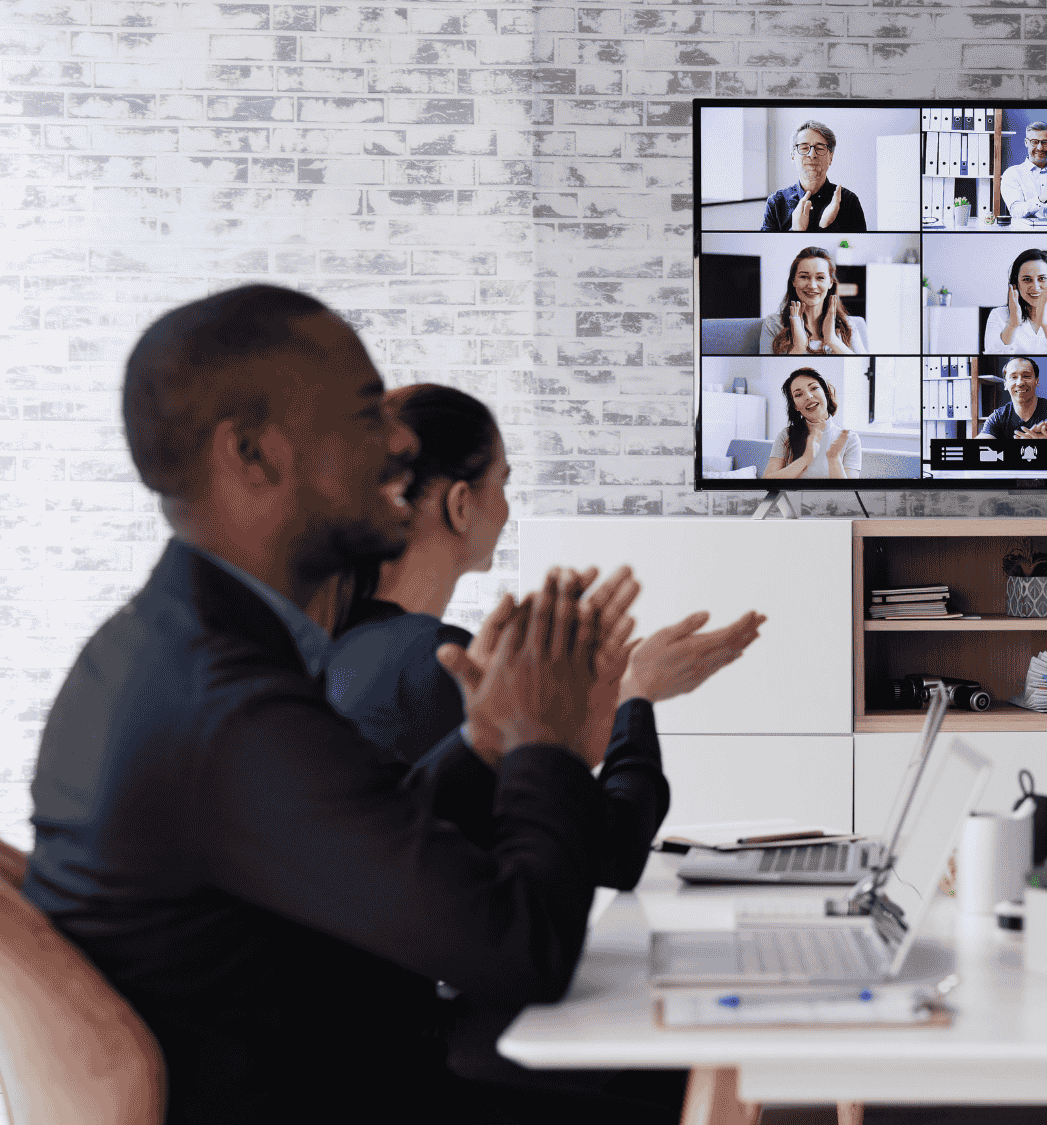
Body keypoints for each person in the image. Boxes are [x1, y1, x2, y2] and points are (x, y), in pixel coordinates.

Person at [22, 284, 637, 1123]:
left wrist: (491, 744)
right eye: (363, 414)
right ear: (250, 453)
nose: (400, 440)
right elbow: (524, 949)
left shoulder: (180, 648)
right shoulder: (224, 703)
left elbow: (357, 840)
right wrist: (547, 743)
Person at [324, 383, 763, 1100]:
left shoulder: (341, 647)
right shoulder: (439, 666)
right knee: (688, 1045)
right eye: (503, 483)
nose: (507, 506)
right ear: (460, 504)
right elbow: (614, 851)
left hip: (366, 1033)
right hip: (422, 1053)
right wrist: (635, 697)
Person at [759, 120, 867, 233]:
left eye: (820, 148)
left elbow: (855, 247)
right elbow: (769, 248)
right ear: (792, 156)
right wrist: (795, 231)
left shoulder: (848, 201)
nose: (812, 154)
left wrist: (826, 226)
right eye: (804, 148)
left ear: (831, 157)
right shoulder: (776, 203)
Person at [760, 245, 865, 355]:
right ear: (793, 281)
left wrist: (832, 340)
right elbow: (770, 370)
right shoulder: (773, 324)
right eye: (804, 277)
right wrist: (798, 347)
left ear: (830, 283)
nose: (812, 285)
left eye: (820, 278)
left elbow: (861, 367)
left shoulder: (847, 325)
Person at [765, 367, 861, 479]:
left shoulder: (850, 439)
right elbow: (767, 480)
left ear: (826, 393)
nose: (809, 396)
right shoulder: (786, 435)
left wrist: (834, 460)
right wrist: (806, 458)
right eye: (798, 394)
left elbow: (848, 495)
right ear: (795, 406)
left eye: (814, 388)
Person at [983, 247, 1047, 355]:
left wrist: (1046, 324)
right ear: (1017, 283)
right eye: (1027, 279)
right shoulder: (998, 315)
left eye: (1042, 278)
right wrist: (1011, 325)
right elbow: (991, 355)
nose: (1035, 287)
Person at [975, 357, 1047, 441]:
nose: (1020, 383)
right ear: (1005, 384)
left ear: (1037, 381)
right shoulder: (997, 417)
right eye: (1013, 377)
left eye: (1026, 376)